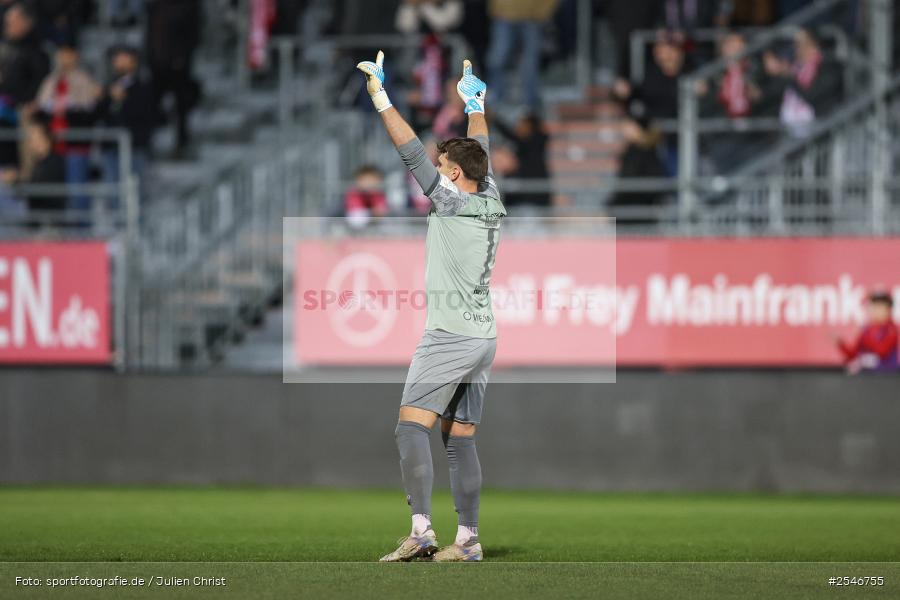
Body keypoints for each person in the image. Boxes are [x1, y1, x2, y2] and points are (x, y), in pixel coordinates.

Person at [356, 51, 504, 562]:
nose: (436, 174)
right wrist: (475, 102)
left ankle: (421, 530)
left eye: (445, 168)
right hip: (483, 337)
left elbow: (411, 154)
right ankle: (469, 541)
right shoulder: (489, 192)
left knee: (409, 426)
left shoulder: (453, 199)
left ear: (456, 175)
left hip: (450, 334)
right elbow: (479, 147)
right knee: (459, 437)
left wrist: (381, 98)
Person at [34, 40, 101, 221]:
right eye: (61, 54)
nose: (64, 59)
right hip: (53, 145)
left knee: (77, 188)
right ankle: (59, 226)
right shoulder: (51, 80)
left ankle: (81, 229)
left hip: (76, 144)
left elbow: (90, 109)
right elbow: (42, 107)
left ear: (76, 56)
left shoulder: (84, 79)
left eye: (68, 54)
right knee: (56, 188)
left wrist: (70, 111)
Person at [762, 28, 842, 136]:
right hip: (788, 132)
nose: (797, 48)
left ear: (813, 45)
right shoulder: (795, 68)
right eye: (796, 44)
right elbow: (770, 95)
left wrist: (790, 78)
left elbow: (814, 96)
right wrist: (776, 73)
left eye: (800, 44)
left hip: (817, 132)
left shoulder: (828, 67)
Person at [98, 45, 154, 197]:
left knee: (136, 190)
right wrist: (107, 97)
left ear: (134, 61)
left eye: (124, 58)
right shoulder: (107, 88)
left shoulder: (144, 87)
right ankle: (118, 220)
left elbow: (146, 114)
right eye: (117, 59)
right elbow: (99, 113)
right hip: (111, 146)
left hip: (134, 145)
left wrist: (125, 100)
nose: (119, 62)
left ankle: (138, 220)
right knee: (113, 190)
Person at [146, 0, 200, 156]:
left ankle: (182, 141)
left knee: (181, 105)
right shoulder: (154, 5)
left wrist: (182, 57)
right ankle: (149, 140)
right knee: (152, 103)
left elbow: (193, 35)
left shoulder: (189, 5)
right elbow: (150, 34)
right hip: (156, 64)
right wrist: (149, 58)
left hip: (178, 65)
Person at [0, 2, 50, 169]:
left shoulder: (37, 51)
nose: (7, 26)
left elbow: (41, 83)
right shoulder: (5, 47)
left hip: (23, 113)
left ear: (26, 23)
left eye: (12, 22)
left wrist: (26, 102)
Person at [486, 0, 558, 110]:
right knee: (498, 58)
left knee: (530, 62)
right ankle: (497, 97)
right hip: (504, 16)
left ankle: (530, 101)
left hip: (532, 18)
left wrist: (543, 11)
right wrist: (495, 7)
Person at [493, 112, 549, 206]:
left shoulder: (535, 142)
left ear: (531, 127)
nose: (518, 128)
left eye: (522, 125)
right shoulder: (523, 146)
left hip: (534, 199)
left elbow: (513, 137)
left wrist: (495, 119)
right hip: (520, 198)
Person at [835, 292, 898, 374]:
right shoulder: (866, 330)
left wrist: (868, 335)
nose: (876, 311)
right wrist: (841, 343)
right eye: (873, 307)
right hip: (867, 378)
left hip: (887, 376)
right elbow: (854, 354)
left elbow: (882, 351)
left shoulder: (892, 330)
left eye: (879, 307)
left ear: (888, 309)